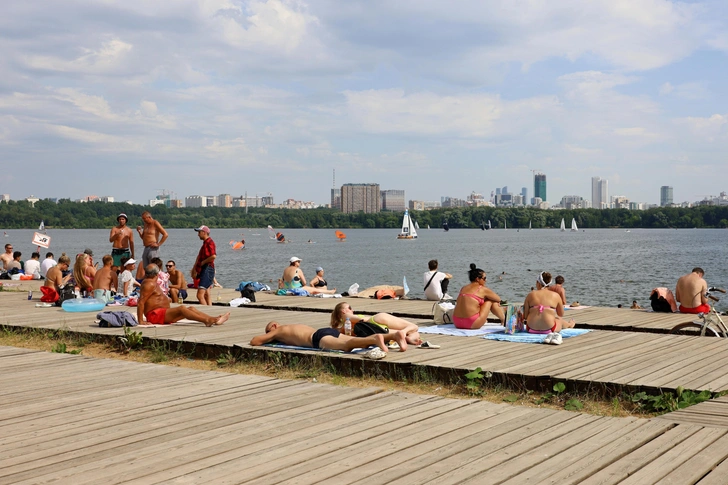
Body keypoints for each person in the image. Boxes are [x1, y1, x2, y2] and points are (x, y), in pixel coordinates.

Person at [138, 264, 229, 326]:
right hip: (155, 315)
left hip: (162, 313)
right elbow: (141, 302)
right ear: (157, 273)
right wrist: (141, 321)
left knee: (191, 309)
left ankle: (212, 319)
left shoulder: (152, 282)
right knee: (181, 308)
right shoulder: (149, 284)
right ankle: (207, 321)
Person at [250, 322, 389, 354]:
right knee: (353, 342)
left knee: (347, 346)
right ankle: (393, 335)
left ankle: (375, 339)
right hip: (325, 331)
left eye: (268, 332)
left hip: (317, 338)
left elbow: (255, 341)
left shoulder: (278, 330)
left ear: (273, 326)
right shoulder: (291, 326)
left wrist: (269, 336)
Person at [330, 301, 421, 347]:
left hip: (373, 329)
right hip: (374, 321)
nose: (352, 310)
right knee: (414, 328)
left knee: (411, 331)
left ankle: (406, 335)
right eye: (349, 308)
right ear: (343, 311)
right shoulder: (346, 317)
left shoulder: (343, 327)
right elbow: (360, 319)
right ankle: (406, 335)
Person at [452, 264, 505, 329]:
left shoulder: (463, 288)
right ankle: (503, 320)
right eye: (484, 278)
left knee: (478, 301)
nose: (486, 280)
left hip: (457, 322)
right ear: (477, 279)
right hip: (471, 323)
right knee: (491, 300)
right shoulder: (482, 289)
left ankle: (484, 320)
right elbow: (498, 298)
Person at [192, 225, 216, 305]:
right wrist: (195, 268)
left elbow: (213, 256)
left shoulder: (209, 242)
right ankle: (210, 309)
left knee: (199, 295)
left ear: (204, 233)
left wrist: (203, 262)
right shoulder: (205, 243)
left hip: (207, 269)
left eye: (199, 232)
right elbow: (199, 256)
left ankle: (205, 311)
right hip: (205, 269)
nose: (198, 234)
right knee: (207, 293)